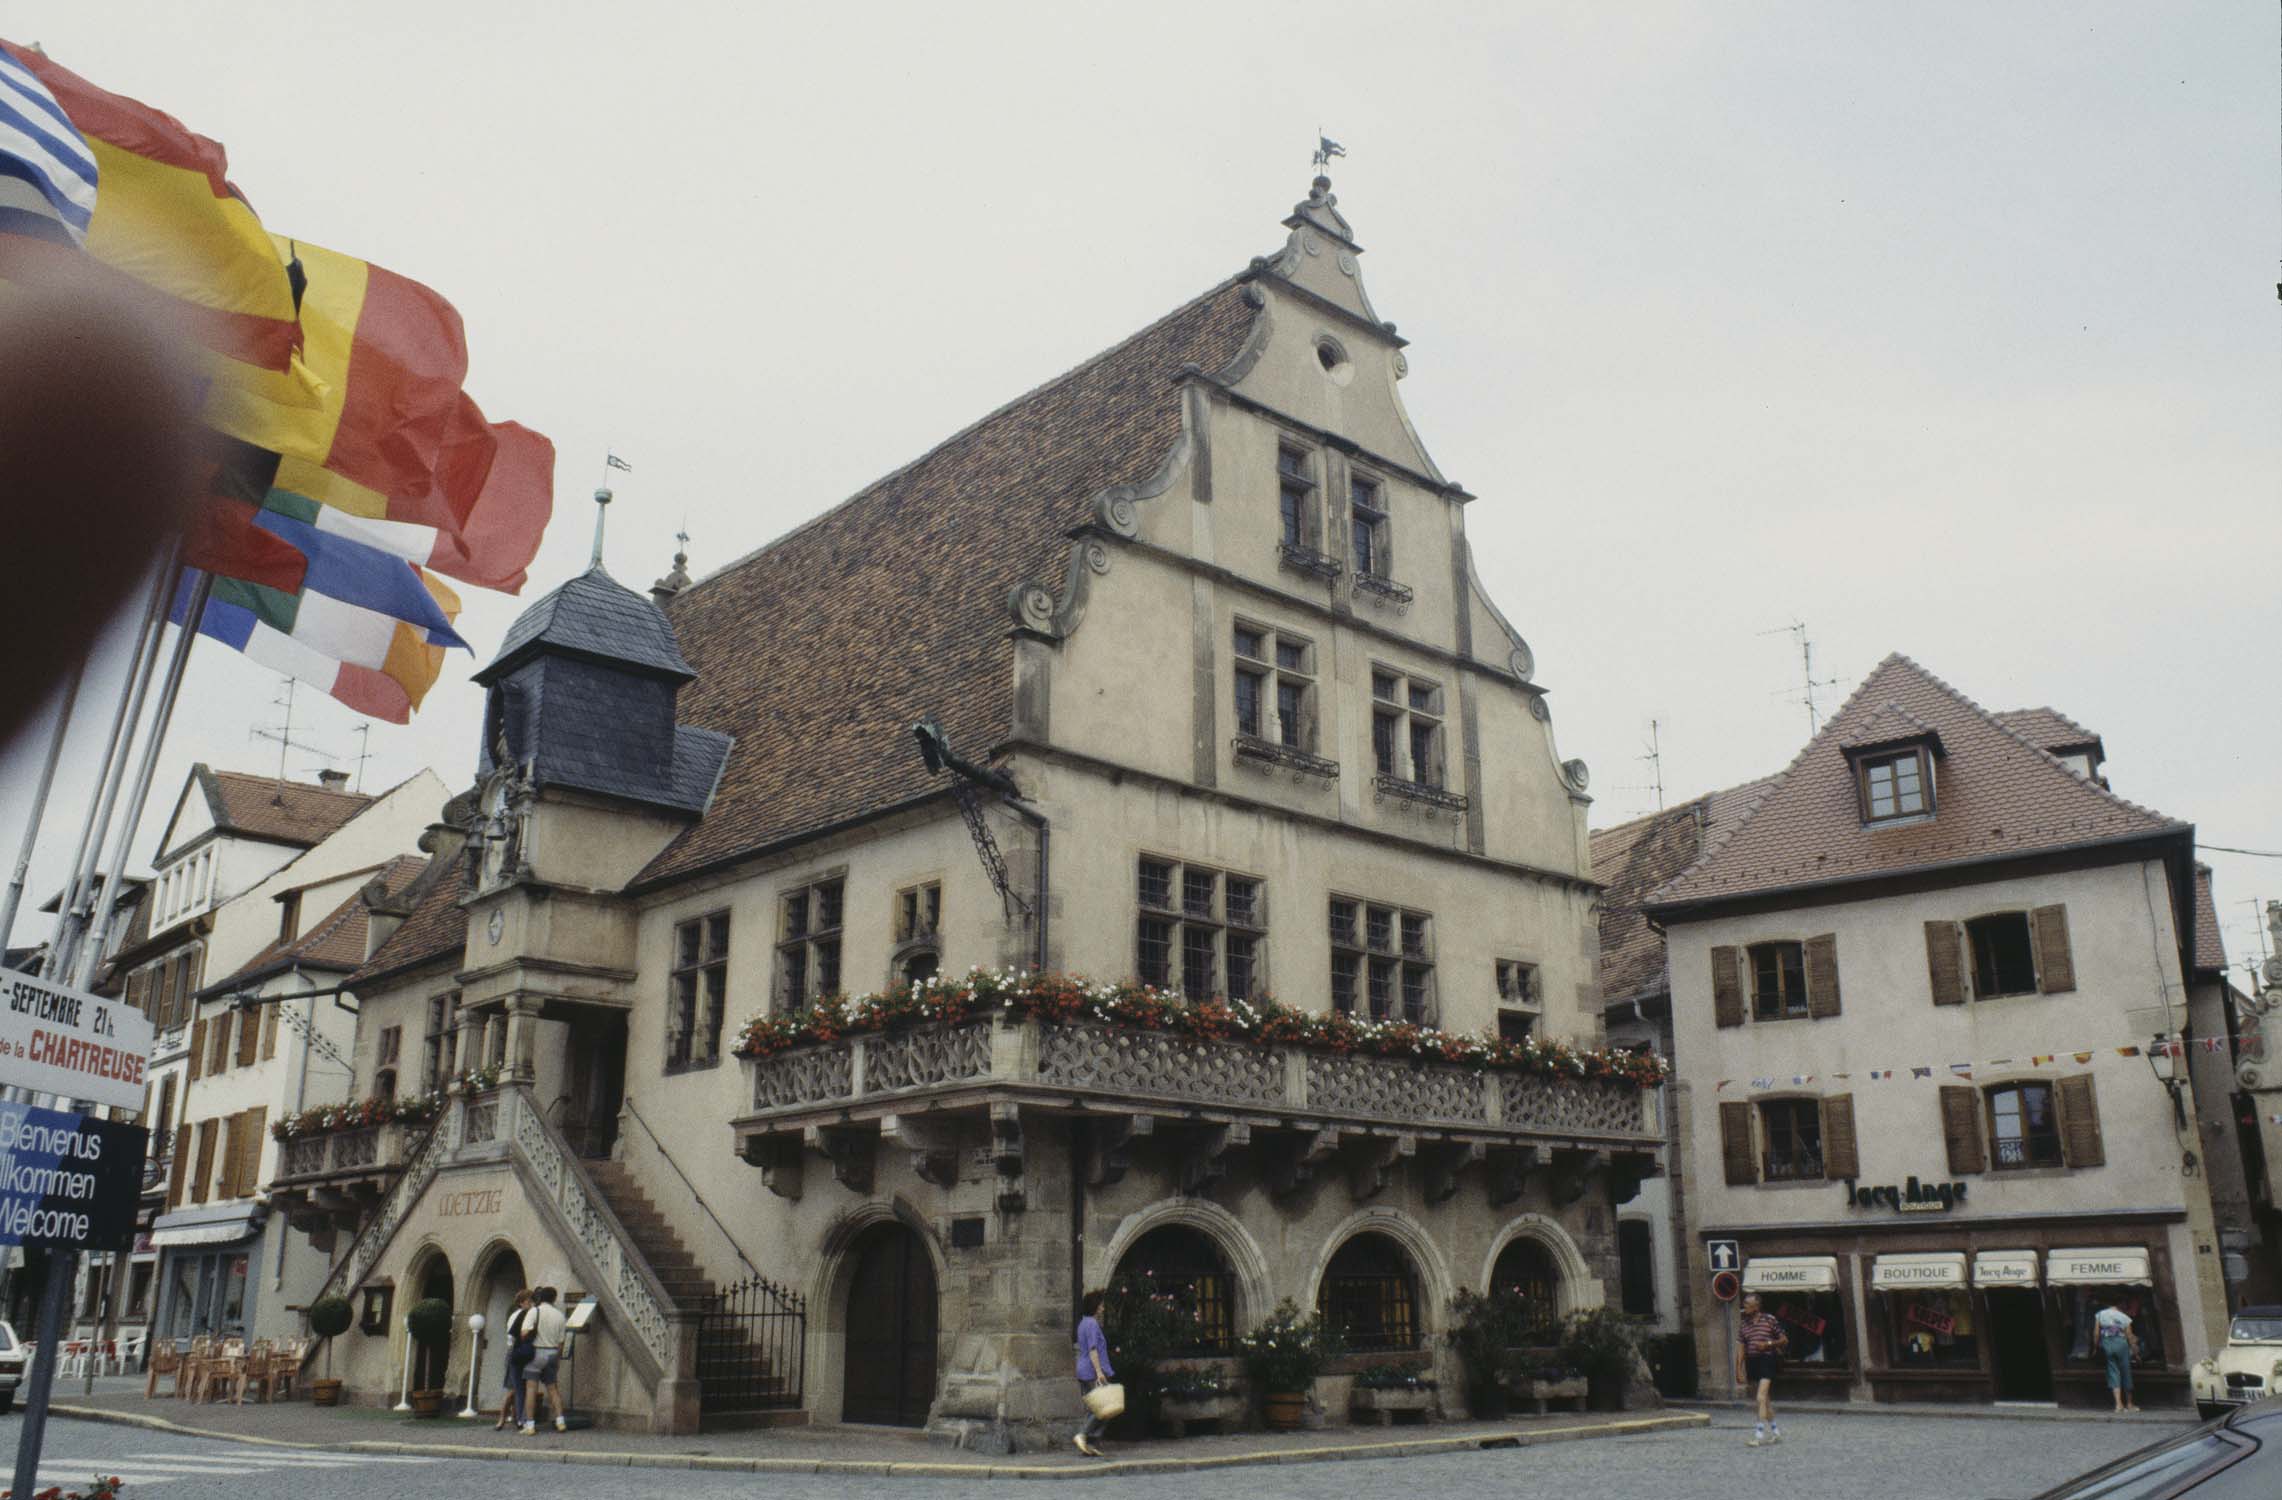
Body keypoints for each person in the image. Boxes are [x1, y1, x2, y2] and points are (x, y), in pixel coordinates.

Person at [1734, 1292, 1789, 1447]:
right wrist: (1738, 1369)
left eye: (1747, 1304)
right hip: (1752, 1362)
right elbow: (1741, 1349)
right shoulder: (1743, 1324)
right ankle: (1776, 1432)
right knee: (1765, 1401)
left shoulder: (1769, 1319)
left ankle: (1758, 1435)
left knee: (1760, 1397)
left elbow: (1784, 1340)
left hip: (1767, 1360)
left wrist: (1768, 1345)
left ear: (1756, 1306)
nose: (1744, 1307)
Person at [520, 1286, 570, 1434]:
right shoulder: (560, 1315)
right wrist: (558, 1358)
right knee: (553, 1388)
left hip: (536, 1352)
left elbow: (524, 1333)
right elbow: (561, 1342)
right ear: (554, 1298)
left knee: (531, 1389)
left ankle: (530, 1425)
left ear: (540, 1297)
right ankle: (560, 1421)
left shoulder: (534, 1311)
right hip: (553, 1353)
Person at [1073, 1289, 1114, 1458]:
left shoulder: (1083, 1323)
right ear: (1095, 1306)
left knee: (1095, 1409)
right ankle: (1083, 1435)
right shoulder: (1091, 1324)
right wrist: (1099, 1372)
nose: (1103, 1308)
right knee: (1105, 1406)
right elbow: (1093, 1349)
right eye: (1101, 1305)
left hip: (1084, 1370)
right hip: (1091, 1371)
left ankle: (1090, 1445)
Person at [493, 1289, 535, 1431]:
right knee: (513, 1389)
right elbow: (512, 1337)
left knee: (517, 1388)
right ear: (522, 1302)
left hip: (518, 1352)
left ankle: (513, 1418)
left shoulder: (525, 1314)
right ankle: (503, 1419)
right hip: (516, 1353)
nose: (531, 1303)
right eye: (529, 1301)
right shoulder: (518, 1315)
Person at [2096, 1298, 2141, 1414]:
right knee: (2126, 1372)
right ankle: (2129, 1404)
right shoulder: (2124, 1317)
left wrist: (2095, 1347)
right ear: (2120, 1304)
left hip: (2107, 1344)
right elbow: (2130, 1337)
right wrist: (2136, 1353)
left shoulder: (2100, 1315)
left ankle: (2118, 1404)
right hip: (2121, 1344)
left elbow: (2096, 1333)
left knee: (2113, 1372)